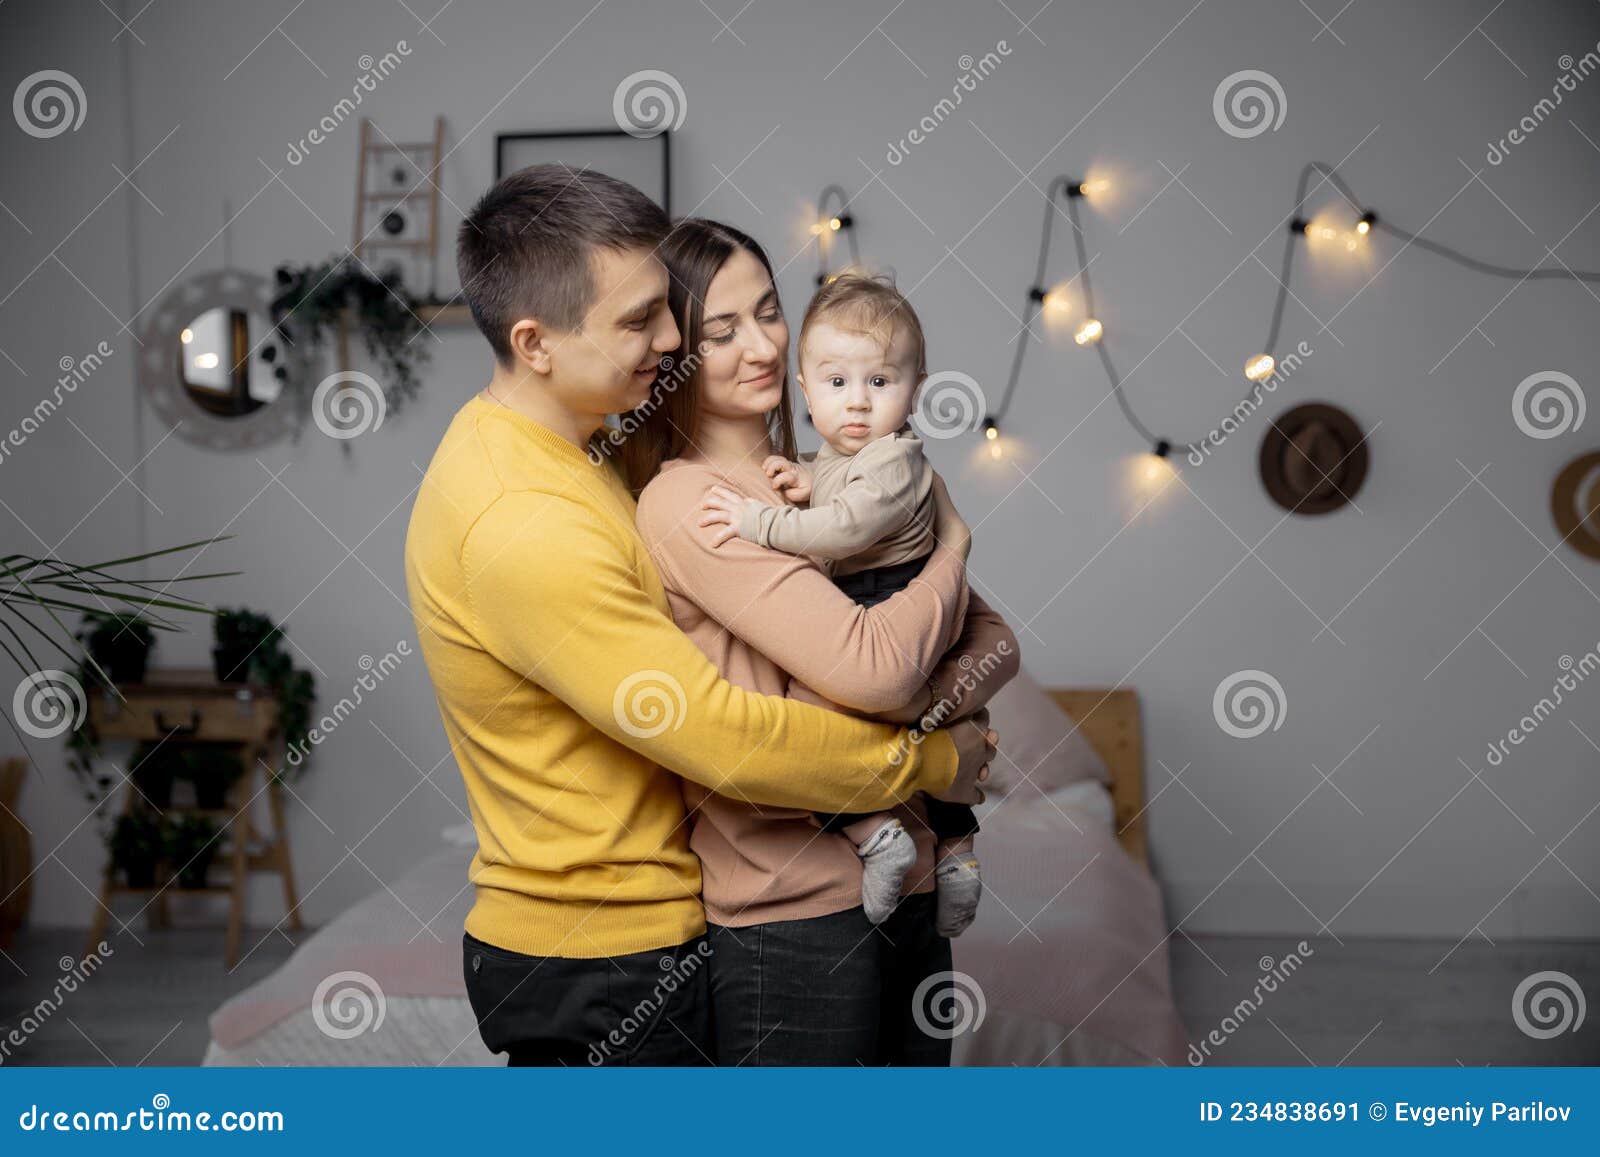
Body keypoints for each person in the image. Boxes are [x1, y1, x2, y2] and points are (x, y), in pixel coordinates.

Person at [402, 166, 996, 1067]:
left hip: (657, 918)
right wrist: (933, 754)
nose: (674, 339)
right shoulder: (524, 513)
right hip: (606, 941)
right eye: (646, 320)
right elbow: (725, 735)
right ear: (536, 342)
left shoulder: (590, 457)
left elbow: (967, 637)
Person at [626, 218, 1020, 1065]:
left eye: (769, 310)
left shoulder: (842, 475)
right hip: (794, 913)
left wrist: (924, 682)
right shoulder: (688, 503)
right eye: (721, 330)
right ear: (673, 354)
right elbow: (877, 669)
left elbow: (997, 642)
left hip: (910, 888)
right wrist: (951, 549)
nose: (763, 343)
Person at [700, 272, 1001, 937]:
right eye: (837, 383)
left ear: (914, 389)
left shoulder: (897, 460)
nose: (857, 403)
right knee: (910, 729)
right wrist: (806, 478)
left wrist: (760, 520)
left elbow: (844, 528)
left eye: (880, 382)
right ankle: (943, 848)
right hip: (889, 595)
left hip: (893, 592)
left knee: (823, 725)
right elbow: (837, 487)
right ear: (805, 390)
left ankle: (897, 838)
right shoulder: (838, 455)